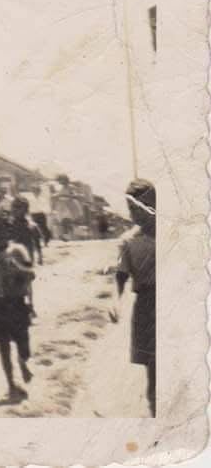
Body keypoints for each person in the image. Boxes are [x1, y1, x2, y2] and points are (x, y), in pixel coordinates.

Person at [109, 178, 156, 416]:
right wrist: (116, 302)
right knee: (153, 366)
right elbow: (120, 275)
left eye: (143, 206)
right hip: (147, 305)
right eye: (132, 208)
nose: (137, 213)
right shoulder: (128, 241)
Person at [0, 213, 36, 400]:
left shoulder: (17, 250)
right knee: (3, 346)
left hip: (17, 303)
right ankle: (11, 384)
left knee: (23, 346)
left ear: (8, 231)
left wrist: (16, 267)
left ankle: (22, 362)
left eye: (1, 230)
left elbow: (31, 273)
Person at [8, 196, 44, 270]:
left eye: (18, 207)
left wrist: (40, 256)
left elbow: (37, 242)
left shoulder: (31, 225)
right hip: (12, 257)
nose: (15, 210)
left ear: (26, 210)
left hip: (27, 257)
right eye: (13, 207)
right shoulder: (8, 225)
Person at [23, 182, 53, 247]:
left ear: (39, 191)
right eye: (34, 190)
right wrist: (27, 213)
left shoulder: (42, 198)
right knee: (33, 228)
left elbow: (46, 207)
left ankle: (46, 241)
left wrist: (47, 212)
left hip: (41, 214)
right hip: (33, 214)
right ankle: (34, 242)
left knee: (44, 228)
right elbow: (27, 206)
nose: (35, 191)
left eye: (37, 190)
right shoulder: (30, 198)